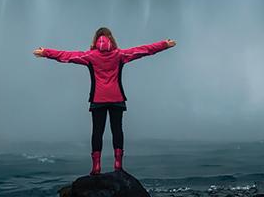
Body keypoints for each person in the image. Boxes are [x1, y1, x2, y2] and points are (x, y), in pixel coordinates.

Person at [33, 27, 176, 175]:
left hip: (98, 99)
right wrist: (164, 44)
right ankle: (118, 164)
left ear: (95, 40)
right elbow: (143, 50)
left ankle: (96, 166)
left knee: (97, 132)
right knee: (117, 130)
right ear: (111, 39)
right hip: (117, 98)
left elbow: (67, 56)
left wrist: (45, 52)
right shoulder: (120, 55)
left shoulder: (89, 56)